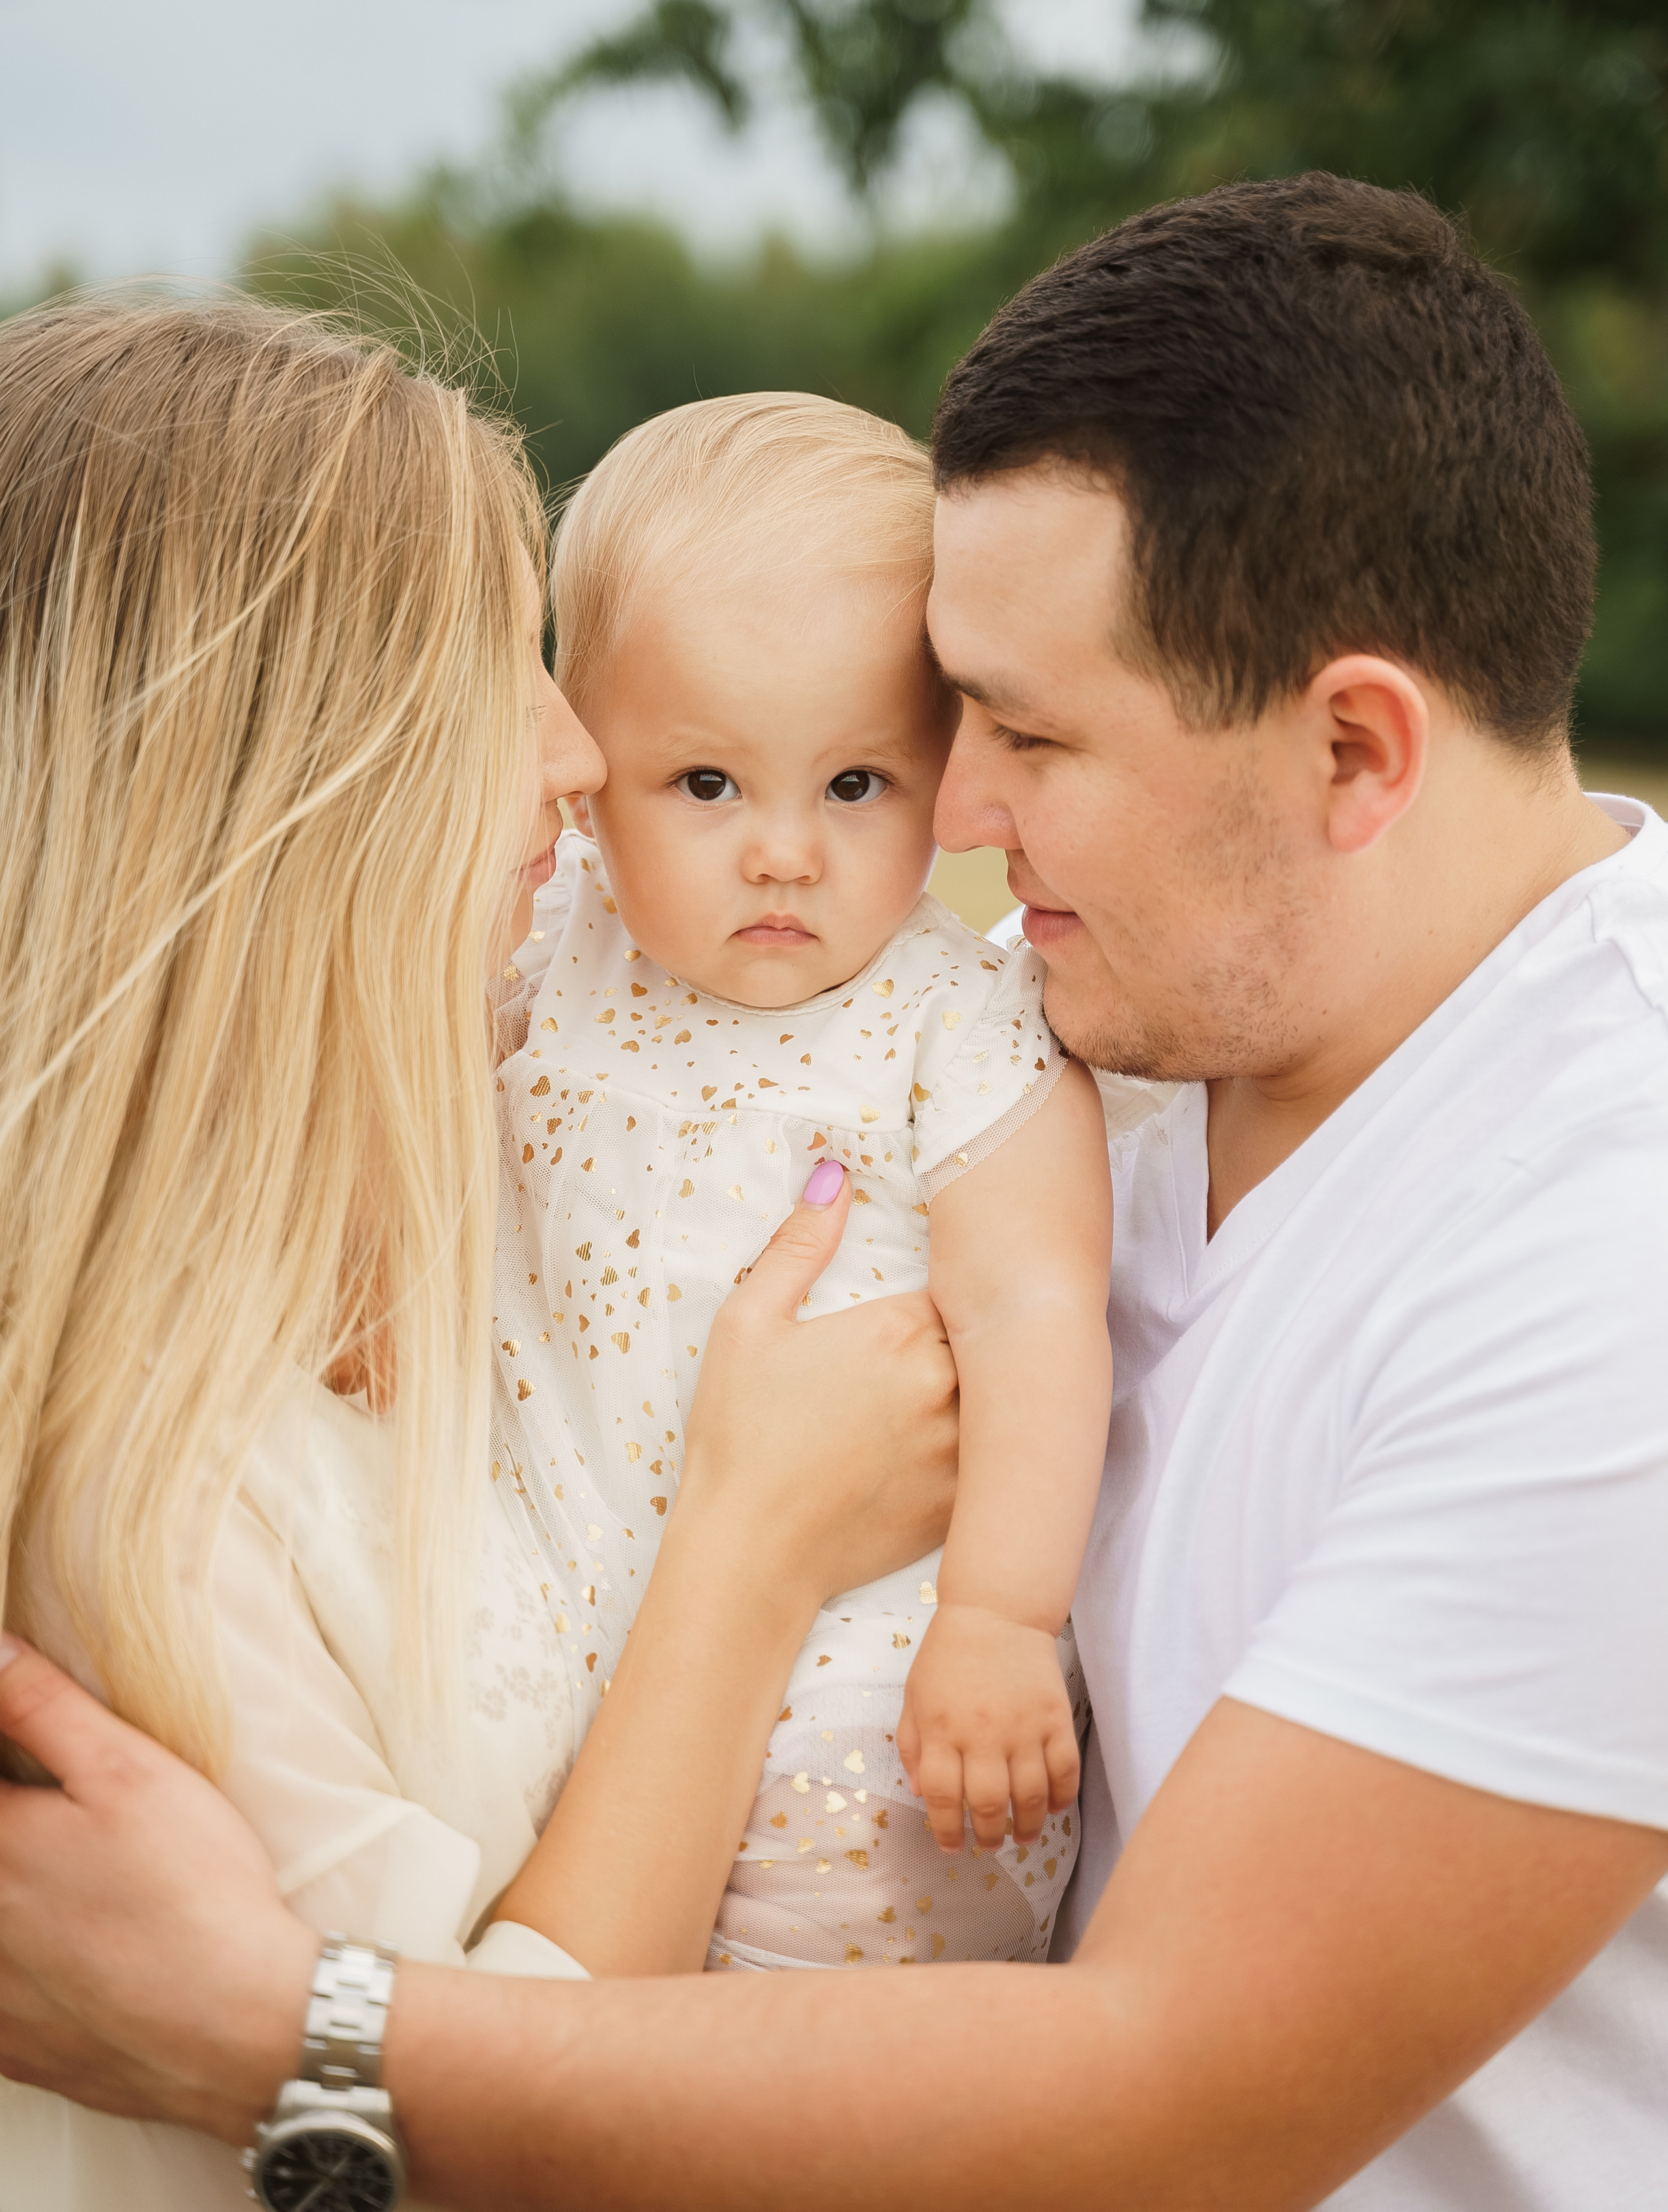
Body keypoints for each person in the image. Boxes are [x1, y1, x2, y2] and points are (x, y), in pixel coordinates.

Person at [3, 173, 1666, 2212]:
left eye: (1025, 736)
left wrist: (290, 2033)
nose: (950, 818)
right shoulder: (1102, 1055)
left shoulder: (1610, 1236)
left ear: (1351, 756)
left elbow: (1177, 2097)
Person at [0, 297, 956, 2209]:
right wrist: (754, 1552)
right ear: (276, 789)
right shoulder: (130, 1497)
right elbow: (470, 2148)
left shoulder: (429, 1191)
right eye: (492, 671)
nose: (579, 751)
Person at [489, 394, 1111, 1973]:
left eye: (852, 786)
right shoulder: (548, 948)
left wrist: (999, 1618)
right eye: (705, 785)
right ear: (583, 764)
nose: (781, 854)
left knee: (810, 2087)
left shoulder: (952, 1021)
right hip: (571, 1648)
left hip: (880, 1711)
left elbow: (1039, 1316)